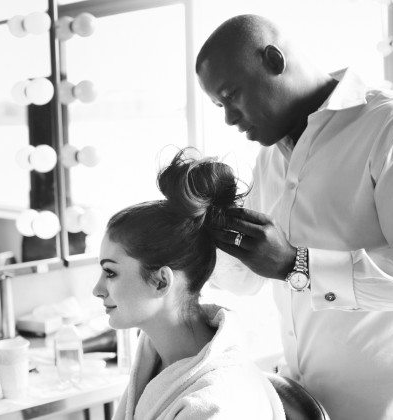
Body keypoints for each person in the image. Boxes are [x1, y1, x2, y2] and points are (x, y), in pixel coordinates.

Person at [196, 14, 393, 420]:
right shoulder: (270, 159)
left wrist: (297, 265)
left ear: (274, 60)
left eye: (232, 95)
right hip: (308, 403)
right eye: (220, 106)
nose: (229, 118)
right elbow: (247, 279)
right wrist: (205, 234)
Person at [92, 149, 285, 420]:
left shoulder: (216, 404)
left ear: (161, 281)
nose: (97, 290)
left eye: (110, 273)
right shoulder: (156, 358)